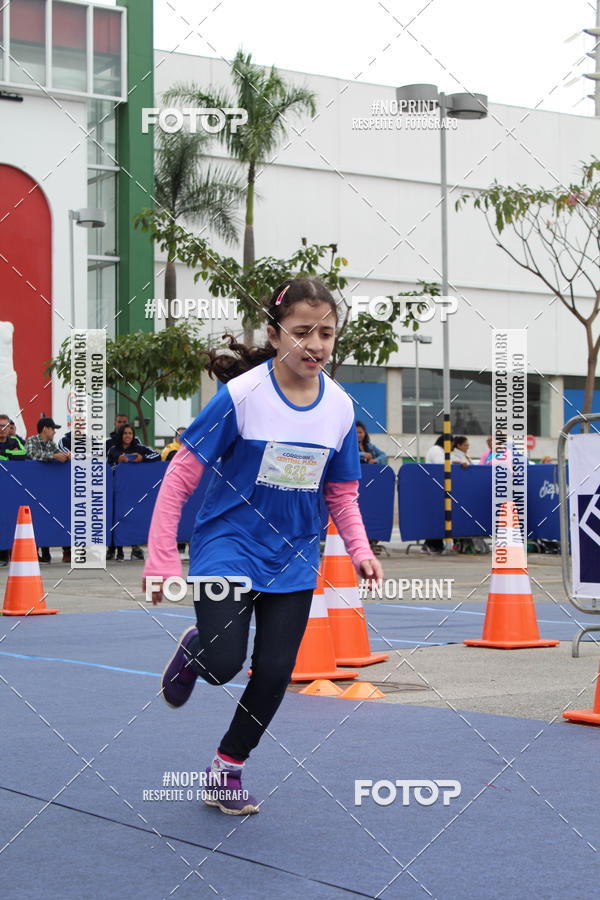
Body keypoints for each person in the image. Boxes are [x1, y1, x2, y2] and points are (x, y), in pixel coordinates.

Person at [142, 277, 383, 816]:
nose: (315, 345)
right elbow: (181, 474)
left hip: (294, 556)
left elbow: (341, 493)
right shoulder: (242, 396)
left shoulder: (341, 409)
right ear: (275, 335)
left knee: (275, 672)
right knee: (226, 663)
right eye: (302, 332)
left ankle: (227, 769)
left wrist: (361, 548)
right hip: (228, 546)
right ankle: (197, 649)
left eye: (326, 333)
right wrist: (161, 555)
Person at [107, 424, 160, 560]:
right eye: (125, 433)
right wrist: (119, 460)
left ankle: (135, 547)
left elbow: (157, 456)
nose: (128, 436)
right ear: (121, 435)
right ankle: (115, 549)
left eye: (130, 433)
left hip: (133, 491)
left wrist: (143, 459)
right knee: (115, 519)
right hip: (116, 491)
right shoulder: (113, 449)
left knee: (132, 517)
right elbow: (108, 464)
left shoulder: (139, 449)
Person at [25, 417, 71, 563]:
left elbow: (59, 454)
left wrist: (66, 457)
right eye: (52, 428)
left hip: (49, 489)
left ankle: (56, 550)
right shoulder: (31, 441)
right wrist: (54, 456)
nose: (54, 432)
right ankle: (37, 551)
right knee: (36, 519)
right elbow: (31, 455)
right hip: (33, 487)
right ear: (45, 428)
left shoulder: (51, 444)